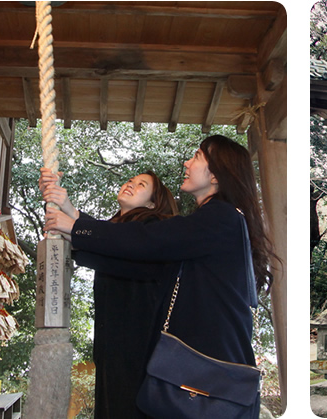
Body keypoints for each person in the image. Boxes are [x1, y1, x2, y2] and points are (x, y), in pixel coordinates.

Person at [43, 135, 274, 418]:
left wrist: (76, 227)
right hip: (196, 373)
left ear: (215, 174)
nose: (187, 163)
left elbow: (148, 240)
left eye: (197, 157)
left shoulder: (221, 217)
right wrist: (71, 224)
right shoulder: (214, 223)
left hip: (206, 374)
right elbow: (140, 263)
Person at [40, 169, 179, 419]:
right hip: (112, 349)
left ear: (152, 203)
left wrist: (72, 226)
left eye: (141, 184)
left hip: (140, 349)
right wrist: (59, 201)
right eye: (130, 179)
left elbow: (116, 243)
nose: (130, 184)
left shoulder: (154, 229)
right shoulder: (115, 234)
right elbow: (104, 237)